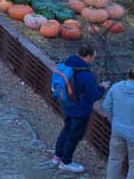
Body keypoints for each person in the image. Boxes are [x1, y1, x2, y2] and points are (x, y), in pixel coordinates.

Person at [50, 41, 105, 172]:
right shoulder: (87, 75)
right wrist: (102, 88)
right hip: (80, 110)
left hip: (67, 104)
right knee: (74, 135)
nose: (93, 60)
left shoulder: (67, 63)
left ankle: (57, 157)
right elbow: (94, 96)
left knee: (66, 130)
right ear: (88, 56)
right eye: (93, 57)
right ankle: (66, 161)